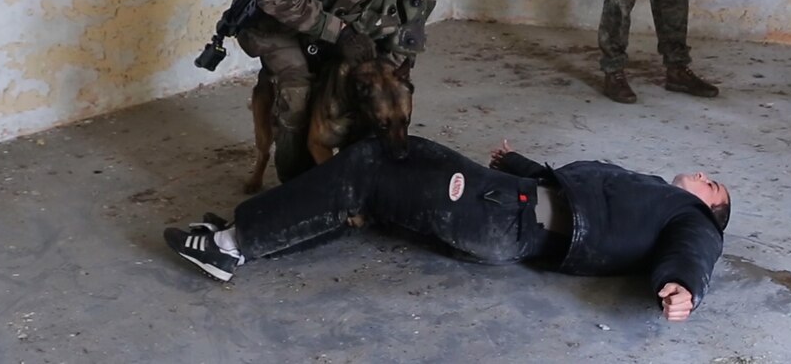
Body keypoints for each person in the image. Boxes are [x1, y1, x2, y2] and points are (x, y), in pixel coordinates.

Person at [163, 136, 731, 323]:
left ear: (712, 209)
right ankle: (254, 227)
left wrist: (686, 287)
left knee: (365, 172)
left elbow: (695, 253)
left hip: (501, 218)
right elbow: (578, 189)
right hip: (506, 197)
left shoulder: (691, 221)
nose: (706, 178)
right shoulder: (651, 194)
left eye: (715, 187)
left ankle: (229, 246)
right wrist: (518, 164)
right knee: (383, 154)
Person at [232, 0, 469, 182]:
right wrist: (338, 33)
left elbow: (401, 51)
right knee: (297, 93)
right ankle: (297, 183)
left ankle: (356, 175)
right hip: (278, 19)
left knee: (367, 102)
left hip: (345, 20)